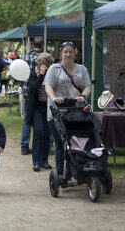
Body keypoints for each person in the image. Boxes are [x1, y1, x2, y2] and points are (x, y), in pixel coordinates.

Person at [44, 41, 91, 180]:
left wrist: (83, 96)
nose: (68, 54)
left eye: (71, 51)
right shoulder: (54, 68)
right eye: (65, 52)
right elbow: (48, 86)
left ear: (75, 53)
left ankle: (74, 172)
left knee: (75, 142)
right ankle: (60, 173)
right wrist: (54, 98)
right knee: (60, 144)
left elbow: (87, 86)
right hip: (57, 112)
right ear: (61, 54)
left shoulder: (82, 69)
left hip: (75, 112)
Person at [26, 53, 54, 172]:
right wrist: (41, 75)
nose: (46, 68)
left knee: (47, 134)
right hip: (37, 107)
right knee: (38, 132)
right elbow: (33, 89)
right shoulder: (33, 74)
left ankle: (44, 160)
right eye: (44, 65)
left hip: (48, 107)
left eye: (48, 66)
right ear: (39, 64)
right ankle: (36, 162)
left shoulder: (52, 74)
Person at [20, 37, 44, 155]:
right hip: (38, 94)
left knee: (27, 120)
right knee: (41, 121)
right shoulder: (42, 59)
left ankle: (24, 145)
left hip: (26, 93)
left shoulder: (24, 57)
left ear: (33, 45)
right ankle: (44, 146)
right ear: (42, 46)